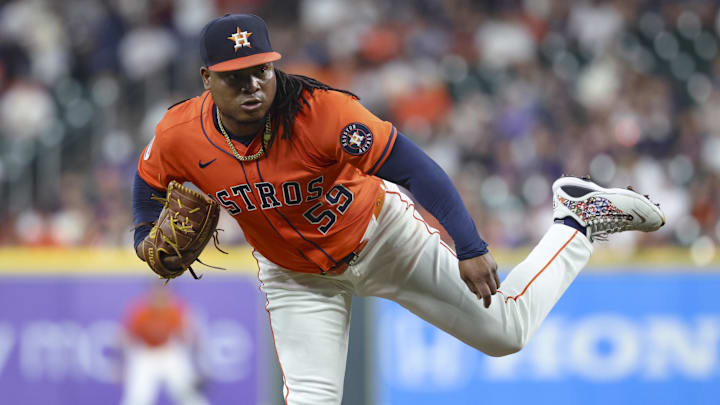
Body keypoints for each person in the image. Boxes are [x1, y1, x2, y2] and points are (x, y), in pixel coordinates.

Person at [131, 14, 665, 405]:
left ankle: (576, 220)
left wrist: (471, 246)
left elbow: (417, 169)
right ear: (207, 79)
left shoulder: (322, 113)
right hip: (296, 279)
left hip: (381, 238)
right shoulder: (179, 133)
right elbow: (147, 178)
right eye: (234, 76)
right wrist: (140, 234)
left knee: (506, 333)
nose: (252, 86)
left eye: (261, 71)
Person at [119, 286, 209, 405]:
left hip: (169, 353)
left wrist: (197, 370)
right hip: (146, 355)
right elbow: (127, 339)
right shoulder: (141, 312)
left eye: (163, 295)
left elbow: (188, 339)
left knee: (190, 397)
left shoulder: (175, 311)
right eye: (157, 295)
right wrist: (124, 365)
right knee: (137, 399)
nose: (160, 299)